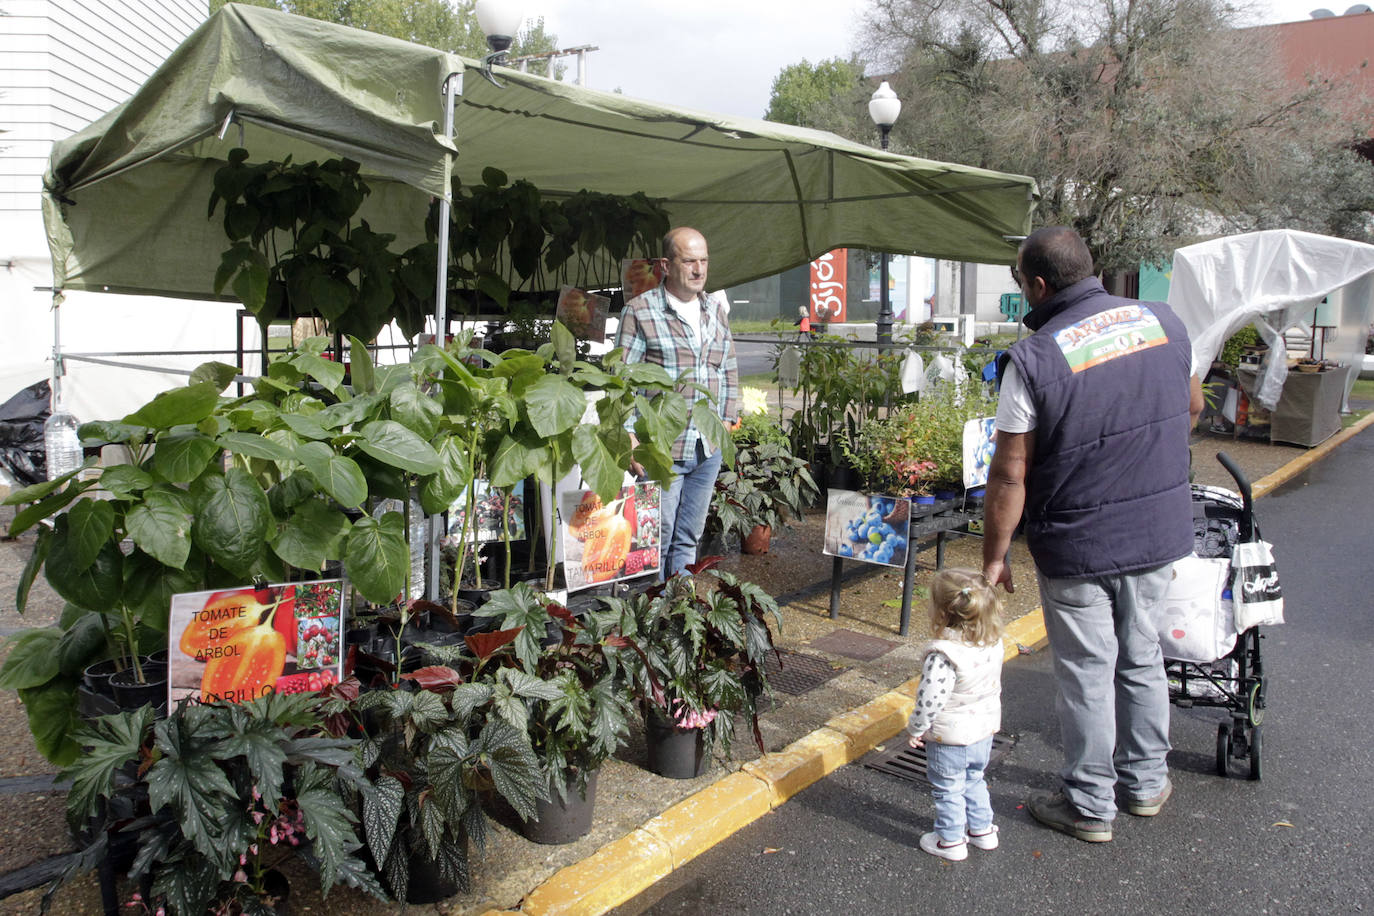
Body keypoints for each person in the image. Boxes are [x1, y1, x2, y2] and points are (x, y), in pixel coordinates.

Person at [982, 226, 1204, 843]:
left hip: (1077, 544)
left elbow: (1009, 472)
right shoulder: (1166, 324)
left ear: (1040, 285)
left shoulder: (1032, 359)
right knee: (1141, 656)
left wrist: (994, 558)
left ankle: (1089, 804)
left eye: (1022, 284)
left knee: (1085, 670)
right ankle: (1146, 784)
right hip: (1157, 534)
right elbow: (1190, 408)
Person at [616, 227, 739, 579]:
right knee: (655, 538)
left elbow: (728, 366)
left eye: (704, 261)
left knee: (688, 537)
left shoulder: (715, 309)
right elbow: (621, 380)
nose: (699, 269)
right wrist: (628, 437)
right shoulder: (639, 312)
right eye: (689, 261)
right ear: (666, 265)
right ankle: (652, 616)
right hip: (660, 447)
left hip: (707, 446)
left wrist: (727, 420)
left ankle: (679, 609)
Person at [905, 567, 1005, 862]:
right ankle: (982, 830)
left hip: (950, 737)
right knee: (974, 778)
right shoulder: (992, 642)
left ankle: (950, 840)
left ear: (941, 611)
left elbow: (930, 699)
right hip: (984, 731)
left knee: (948, 788)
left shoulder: (944, 654)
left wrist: (916, 728)